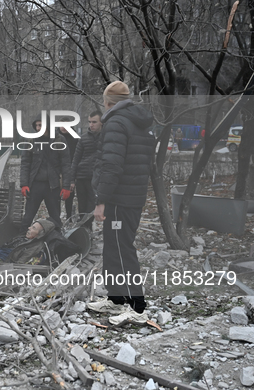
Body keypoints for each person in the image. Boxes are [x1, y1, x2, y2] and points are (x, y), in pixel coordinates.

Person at [88, 80, 154, 326]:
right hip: (130, 197)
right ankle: (116, 299)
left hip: (118, 199)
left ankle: (138, 309)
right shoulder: (139, 123)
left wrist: (101, 201)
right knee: (113, 248)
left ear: (107, 103)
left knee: (122, 248)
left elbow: (112, 166)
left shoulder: (115, 123)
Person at [20, 114, 72, 231]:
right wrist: (24, 184)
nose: (38, 128)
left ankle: (56, 242)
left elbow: (66, 164)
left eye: (41, 125)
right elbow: (25, 163)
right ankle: (22, 241)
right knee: (27, 219)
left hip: (52, 186)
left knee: (55, 219)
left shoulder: (59, 140)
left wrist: (66, 186)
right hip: (35, 185)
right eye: (37, 125)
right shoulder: (31, 140)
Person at [71, 110, 102, 230]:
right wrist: (72, 180)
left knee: (92, 206)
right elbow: (75, 159)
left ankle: (87, 228)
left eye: (94, 122)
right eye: (89, 122)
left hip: (96, 178)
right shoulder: (83, 138)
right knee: (82, 207)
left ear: (101, 123)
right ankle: (84, 230)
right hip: (82, 177)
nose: (91, 125)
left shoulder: (106, 138)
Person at [59, 122, 78, 220]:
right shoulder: (54, 137)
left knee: (69, 195)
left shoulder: (75, 139)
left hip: (70, 169)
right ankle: (56, 217)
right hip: (58, 170)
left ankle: (69, 216)